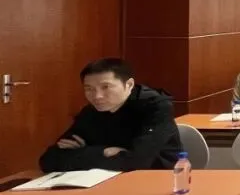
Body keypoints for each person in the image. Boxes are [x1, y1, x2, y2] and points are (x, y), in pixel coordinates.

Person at [40, 58, 182, 172]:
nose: (97, 96)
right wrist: (103, 151)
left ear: (129, 84)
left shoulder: (156, 107)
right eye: (89, 89)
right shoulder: (91, 112)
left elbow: (137, 162)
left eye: (105, 87)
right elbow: (48, 160)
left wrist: (81, 153)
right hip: (104, 181)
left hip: (158, 180)